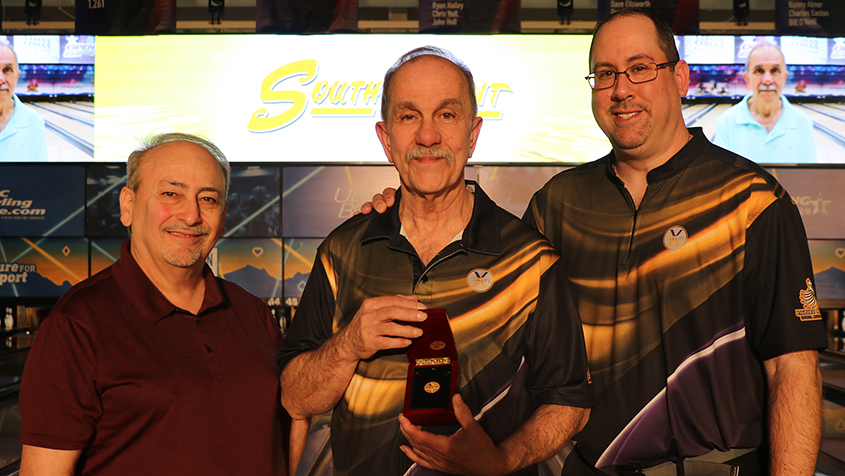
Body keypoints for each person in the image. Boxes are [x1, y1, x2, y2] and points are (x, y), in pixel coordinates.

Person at [363, 10, 828, 476]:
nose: (621, 89)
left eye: (640, 68)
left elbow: (792, 367)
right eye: (605, 74)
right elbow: (488, 310)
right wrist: (409, 207)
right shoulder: (559, 205)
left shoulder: (752, 199)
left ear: (681, 78)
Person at [278, 46, 593, 476]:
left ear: (473, 133)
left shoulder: (531, 261)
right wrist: (349, 344)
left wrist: (502, 460)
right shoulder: (342, 251)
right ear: (386, 139)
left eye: (446, 115)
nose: (428, 137)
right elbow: (295, 398)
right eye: (409, 117)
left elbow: (569, 402)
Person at [19, 133, 289, 475]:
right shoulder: (77, 324)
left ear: (222, 218)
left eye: (208, 199)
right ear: (128, 206)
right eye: (170, 193)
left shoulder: (252, 314)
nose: (191, 215)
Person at [714, 42, 816, 163]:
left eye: (775, 70)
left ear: (784, 77)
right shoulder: (726, 122)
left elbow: (809, 178)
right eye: (759, 71)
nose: (767, 80)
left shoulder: (802, 121)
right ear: (747, 79)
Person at [0, 43, 48, 162]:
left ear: (17, 76)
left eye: (7, 70)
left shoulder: (34, 120)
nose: (1, 78)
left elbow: (41, 175)